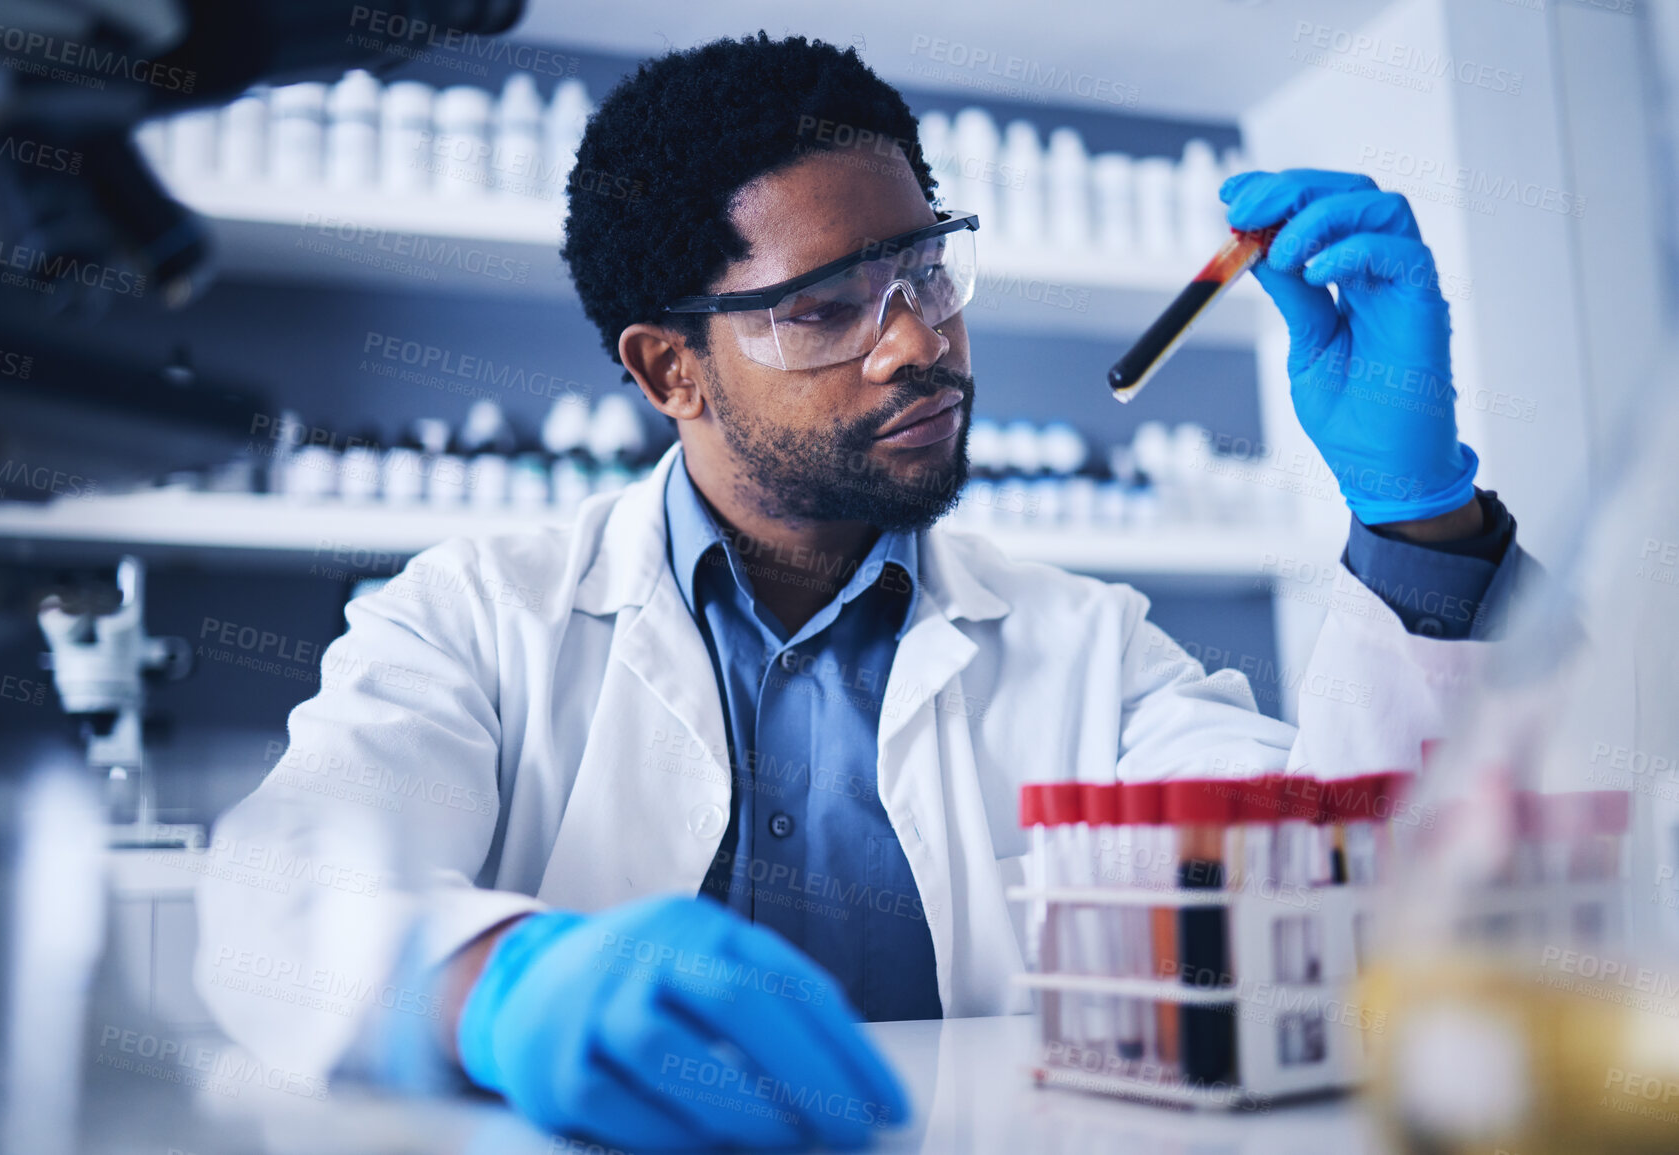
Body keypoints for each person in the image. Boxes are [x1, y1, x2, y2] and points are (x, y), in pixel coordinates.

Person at [196, 33, 1534, 1152]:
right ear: (672, 370)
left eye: (924, 271)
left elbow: (1327, 884)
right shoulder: (477, 617)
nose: (918, 343)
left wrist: (1415, 520)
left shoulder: (1085, 648)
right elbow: (281, 885)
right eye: (824, 309)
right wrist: (506, 984)